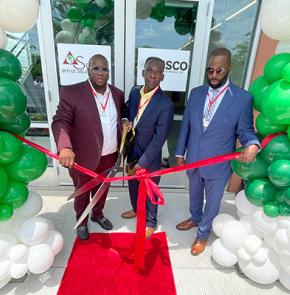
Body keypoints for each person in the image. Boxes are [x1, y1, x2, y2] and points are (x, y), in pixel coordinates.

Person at [175, 48, 260, 255]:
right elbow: (186, 125)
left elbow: (246, 130)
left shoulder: (242, 98)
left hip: (218, 164)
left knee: (212, 202)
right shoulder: (196, 93)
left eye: (219, 71)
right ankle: (195, 218)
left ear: (229, 68)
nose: (213, 75)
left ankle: (203, 234)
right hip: (193, 159)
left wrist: (253, 144)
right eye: (210, 70)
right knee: (194, 194)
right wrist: (179, 152)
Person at [52, 54, 125, 240]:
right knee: (83, 192)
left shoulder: (117, 94)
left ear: (109, 72)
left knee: (102, 190)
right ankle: (82, 221)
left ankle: (98, 214)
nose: (100, 72)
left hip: (110, 156)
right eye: (96, 68)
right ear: (88, 69)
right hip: (83, 157)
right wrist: (65, 147)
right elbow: (60, 121)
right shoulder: (72, 92)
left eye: (104, 68)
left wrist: (125, 121)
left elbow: (121, 116)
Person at [121, 57, 174, 238]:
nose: (153, 75)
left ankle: (151, 221)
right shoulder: (135, 92)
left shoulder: (166, 104)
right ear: (143, 72)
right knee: (133, 185)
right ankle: (136, 209)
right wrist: (125, 120)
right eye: (150, 70)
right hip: (132, 150)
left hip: (150, 157)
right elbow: (127, 110)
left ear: (162, 77)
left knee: (151, 190)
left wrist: (143, 162)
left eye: (158, 72)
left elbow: (160, 138)